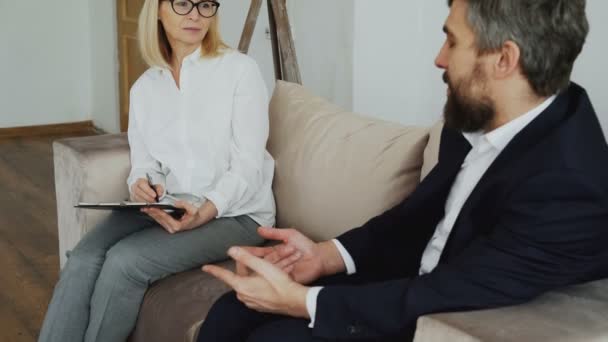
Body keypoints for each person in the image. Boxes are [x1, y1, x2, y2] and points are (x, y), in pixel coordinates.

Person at [197, 0, 608, 341]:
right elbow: (415, 220)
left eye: (452, 39)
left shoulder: (569, 184)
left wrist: (299, 301)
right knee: (232, 309)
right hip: (411, 280)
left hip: (443, 316)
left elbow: (451, 292)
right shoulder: (477, 113)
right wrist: (324, 256)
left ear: (504, 59)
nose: (439, 58)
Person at [39, 0, 275, 341]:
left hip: (237, 215)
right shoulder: (146, 87)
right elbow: (146, 162)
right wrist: (143, 185)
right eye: (182, 3)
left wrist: (206, 210)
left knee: (125, 262)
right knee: (84, 257)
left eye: (206, 4)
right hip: (174, 204)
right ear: (159, 10)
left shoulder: (240, 71)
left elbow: (248, 164)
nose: (195, 14)